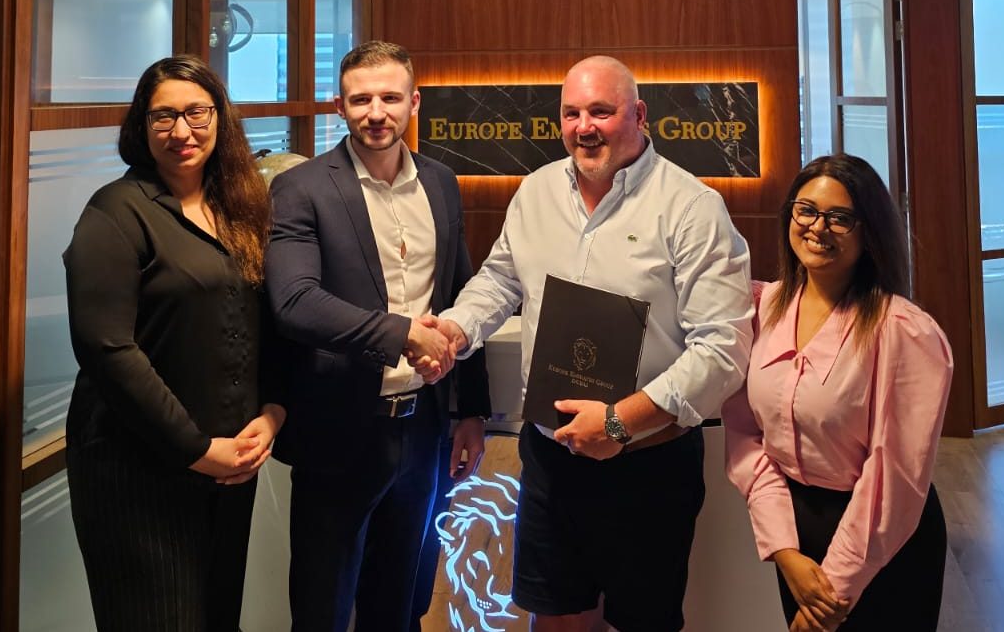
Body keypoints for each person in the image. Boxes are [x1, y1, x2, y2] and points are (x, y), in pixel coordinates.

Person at [429, 55, 754, 632]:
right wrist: (456, 328)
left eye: (601, 112)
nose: (584, 127)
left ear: (639, 115)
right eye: (571, 113)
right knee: (554, 618)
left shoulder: (692, 207)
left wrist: (620, 422)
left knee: (642, 623)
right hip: (550, 459)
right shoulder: (535, 192)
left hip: (648, 463)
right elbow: (500, 281)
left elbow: (723, 348)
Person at [265, 40, 491, 631]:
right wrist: (401, 334)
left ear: (414, 103)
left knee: (401, 605)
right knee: (323, 609)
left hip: (424, 430)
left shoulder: (441, 182)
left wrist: (472, 410)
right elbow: (294, 302)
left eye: (390, 98)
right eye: (360, 99)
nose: (375, 113)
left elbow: (461, 292)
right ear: (338, 106)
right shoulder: (302, 188)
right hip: (340, 431)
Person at [64, 55, 284, 631]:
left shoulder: (237, 205)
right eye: (163, 116)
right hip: (139, 472)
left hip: (229, 468)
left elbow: (261, 321)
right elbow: (106, 348)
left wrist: (272, 412)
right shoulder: (115, 211)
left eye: (196, 113)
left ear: (220, 118)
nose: (181, 131)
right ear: (142, 125)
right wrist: (196, 449)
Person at [723, 154, 953, 632]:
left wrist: (836, 588)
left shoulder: (904, 331)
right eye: (806, 210)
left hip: (882, 544)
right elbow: (746, 437)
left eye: (840, 217)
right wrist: (784, 549)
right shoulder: (762, 308)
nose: (817, 227)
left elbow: (895, 475)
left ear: (869, 231)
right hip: (797, 534)